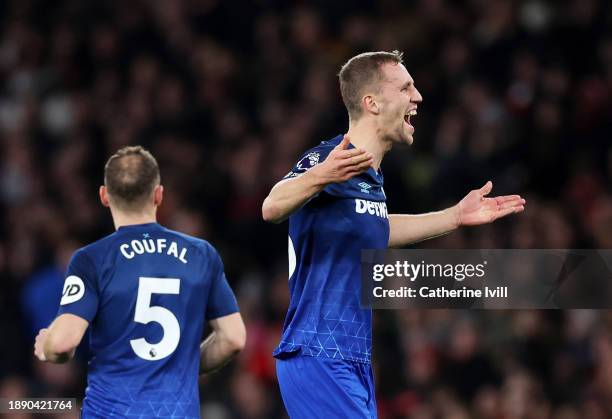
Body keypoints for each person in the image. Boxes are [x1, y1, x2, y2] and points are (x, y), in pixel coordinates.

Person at [262, 51, 526, 418]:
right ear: (371, 102)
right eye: (405, 87)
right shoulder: (332, 158)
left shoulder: (370, 178)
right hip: (319, 352)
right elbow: (272, 206)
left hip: (351, 359)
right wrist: (323, 173)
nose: (417, 97)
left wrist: (454, 217)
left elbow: (378, 227)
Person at [34, 146, 246, 418]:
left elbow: (63, 344)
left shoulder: (92, 259)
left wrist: (48, 345)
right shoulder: (201, 255)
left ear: (104, 196)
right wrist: (179, 364)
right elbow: (233, 339)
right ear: (159, 195)